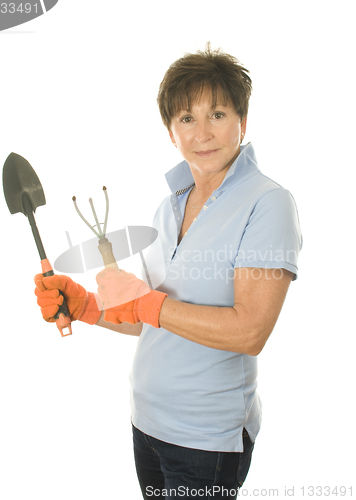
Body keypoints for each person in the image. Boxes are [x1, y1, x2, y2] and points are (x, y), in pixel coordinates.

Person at [34, 43, 302, 499]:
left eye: (217, 114)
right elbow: (146, 318)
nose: (203, 132)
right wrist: (85, 306)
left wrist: (144, 302)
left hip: (205, 440)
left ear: (243, 121)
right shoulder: (169, 205)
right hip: (146, 423)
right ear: (169, 131)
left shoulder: (267, 203)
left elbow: (249, 331)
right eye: (186, 118)